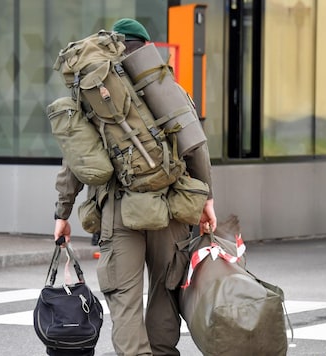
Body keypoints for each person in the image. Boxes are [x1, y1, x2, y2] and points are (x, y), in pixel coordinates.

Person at [53, 18, 217, 356]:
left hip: (118, 211)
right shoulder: (164, 86)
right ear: (144, 47)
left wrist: (62, 212)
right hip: (170, 209)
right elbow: (195, 147)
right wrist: (207, 201)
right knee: (165, 289)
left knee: (124, 299)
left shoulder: (92, 96)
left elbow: (76, 159)